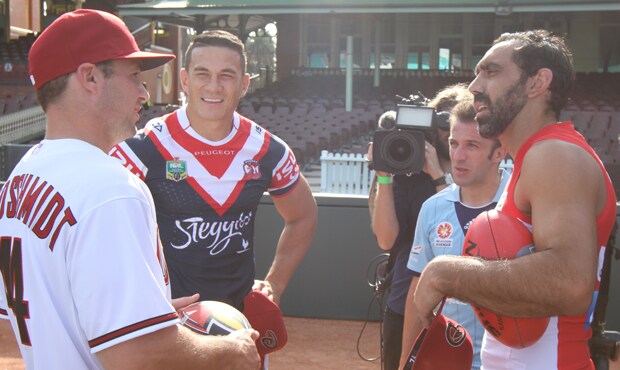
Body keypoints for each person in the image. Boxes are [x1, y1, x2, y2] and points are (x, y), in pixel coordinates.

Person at [0, 9, 260, 369]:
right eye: (134, 76)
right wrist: (233, 349)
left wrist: (140, 311)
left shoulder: (21, 177)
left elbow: (49, 308)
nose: (144, 91)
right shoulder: (110, 187)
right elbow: (136, 356)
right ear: (90, 77)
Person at [410, 30, 617, 369]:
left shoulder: (554, 154)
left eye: (490, 72)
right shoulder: (537, 156)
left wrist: (444, 272)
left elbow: (570, 283)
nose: (474, 86)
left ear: (537, 84)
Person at [110, 30, 318, 312]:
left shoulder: (268, 150)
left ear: (244, 84)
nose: (214, 86)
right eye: (202, 74)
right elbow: (103, 233)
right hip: (170, 324)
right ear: (185, 79)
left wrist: (275, 284)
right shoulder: (144, 148)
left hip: (242, 324)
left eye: (226, 76)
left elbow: (303, 215)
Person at [399, 99, 508, 370]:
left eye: (472, 145)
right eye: (453, 143)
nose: (458, 156)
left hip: (509, 361)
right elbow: (418, 289)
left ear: (499, 152)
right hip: (448, 358)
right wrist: (404, 361)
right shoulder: (433, 208)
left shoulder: (522, 203)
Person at [367, 83, 471, 370]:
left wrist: (439, 176)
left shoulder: (480, 176)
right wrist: (385, 177)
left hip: (462, 312)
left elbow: (460, 231)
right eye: (441, 123)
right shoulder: (409, 176)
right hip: (405, 304)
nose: (447, 134)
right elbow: (386, 240)